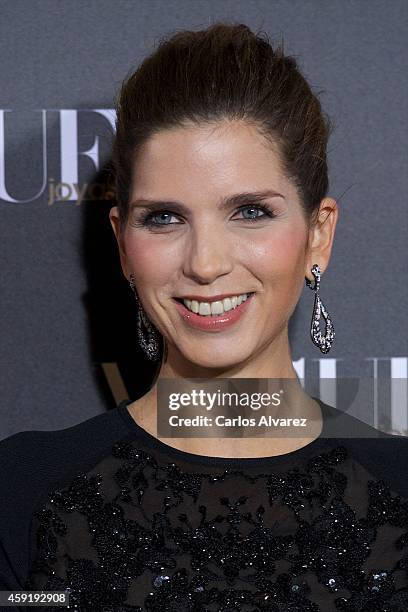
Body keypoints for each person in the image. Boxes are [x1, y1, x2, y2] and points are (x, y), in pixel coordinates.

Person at [1, 22, 407, 612]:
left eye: (250, 211)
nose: (206, 264)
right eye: (164, 218)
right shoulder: (22, 490)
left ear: (319, 235)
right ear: (122, 244)